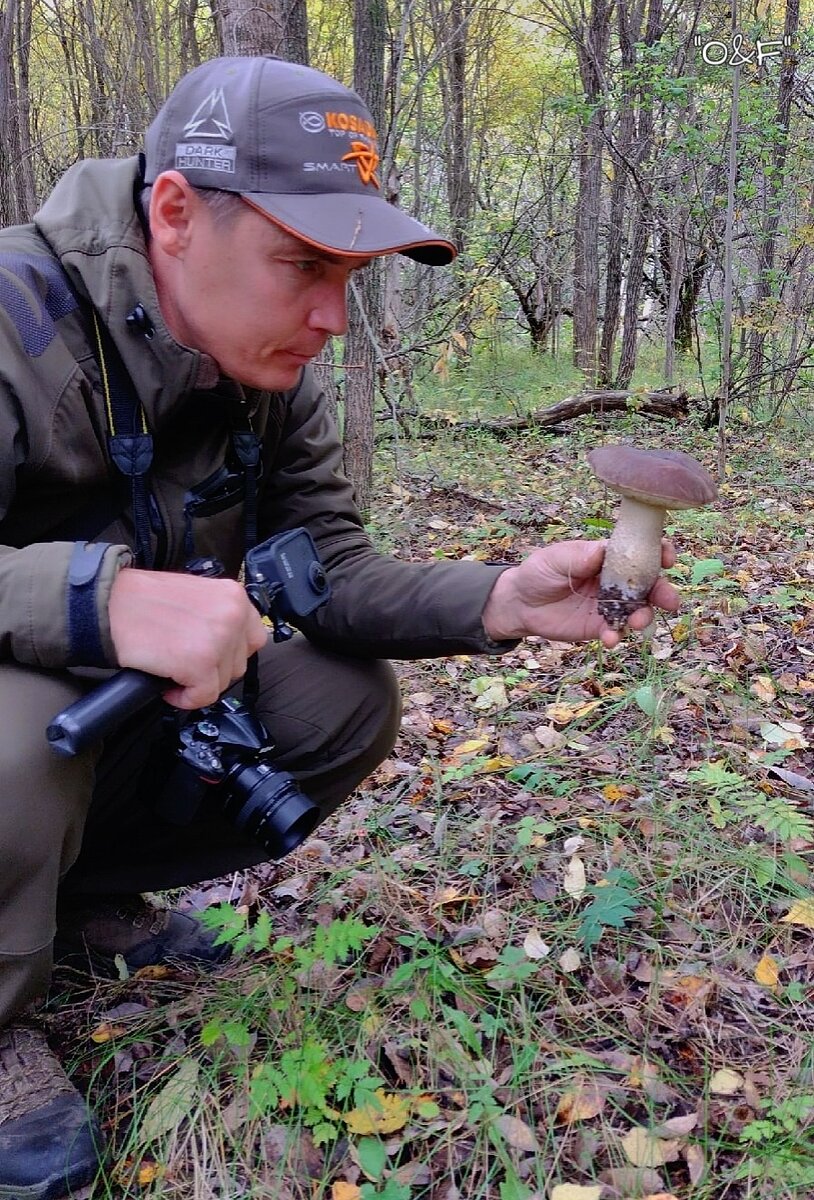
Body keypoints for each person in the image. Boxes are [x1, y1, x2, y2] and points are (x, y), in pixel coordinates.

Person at [0, 55, 679, 1195]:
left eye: (349, 275)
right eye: (303, 265)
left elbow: (329, 573)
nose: (330, 317)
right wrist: (92, 598)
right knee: (26, 730)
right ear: (175, 214)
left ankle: (77, 903)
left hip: (109, 724)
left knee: (340, 700)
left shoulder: (270, 368)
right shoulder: (19, 322)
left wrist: (497, 599)